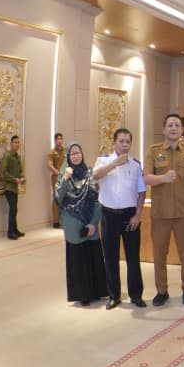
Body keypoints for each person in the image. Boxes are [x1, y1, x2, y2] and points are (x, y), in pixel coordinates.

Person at [144, 113, 184, 306]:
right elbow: (146, 178)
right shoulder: (153, 151)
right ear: (163, 130)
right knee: (160, 254)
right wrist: (163, 178)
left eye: (177, 125)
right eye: (170, 125)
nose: (174, 128)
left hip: (183, 212)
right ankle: (161, 291)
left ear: (182, 130)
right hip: (160, 213)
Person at [93, 128, 147, 310]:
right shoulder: (103, 161)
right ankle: (114, 296)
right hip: (108, 215)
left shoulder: (135, 165)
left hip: (129, 215)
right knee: (110, 257)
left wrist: (138, 215)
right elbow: (95, 176)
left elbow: (141, 191)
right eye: (121, 141)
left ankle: (136, 295)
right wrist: (115, 163)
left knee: (133, 257)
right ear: (114, 143)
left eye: (127, 142)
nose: (124, 145)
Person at [55, 143, 109, 306]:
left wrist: (93, 223)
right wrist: (65, 178)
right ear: (68, 157)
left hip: (90, 220)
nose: (76, 156)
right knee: (78, 258)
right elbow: (58, 197)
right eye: (72, 154)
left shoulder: (90, 173)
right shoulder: (64, 175)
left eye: (78, 152)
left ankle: (97, 291)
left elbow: (97, 199)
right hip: (72, 222)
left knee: (93, 255)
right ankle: (82, 294)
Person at [0, 134, 26, 239]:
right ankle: (10, 232)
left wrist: (22, 178)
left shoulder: (17, 157)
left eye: (18, 142)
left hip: (15, 188)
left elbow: (19, 171)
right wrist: (14, 179)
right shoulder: (7, 156)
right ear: (11, 144)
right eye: (15, 142)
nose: (17, 144)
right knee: (13, 209)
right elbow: (3, 173)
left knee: (14, 209)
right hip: (9, 188)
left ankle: (15, 230)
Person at [46, 132, 65, 228]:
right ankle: (56, 221)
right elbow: (49, 166)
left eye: (61, 138)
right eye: (58, 139)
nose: (59, 140)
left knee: (66, 198)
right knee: (57, 198)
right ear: (55, 140)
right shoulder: (52, 152)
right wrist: (58, 173)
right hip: (56, 178)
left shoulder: (66, 151)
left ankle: (65, 219)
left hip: (66, 177)